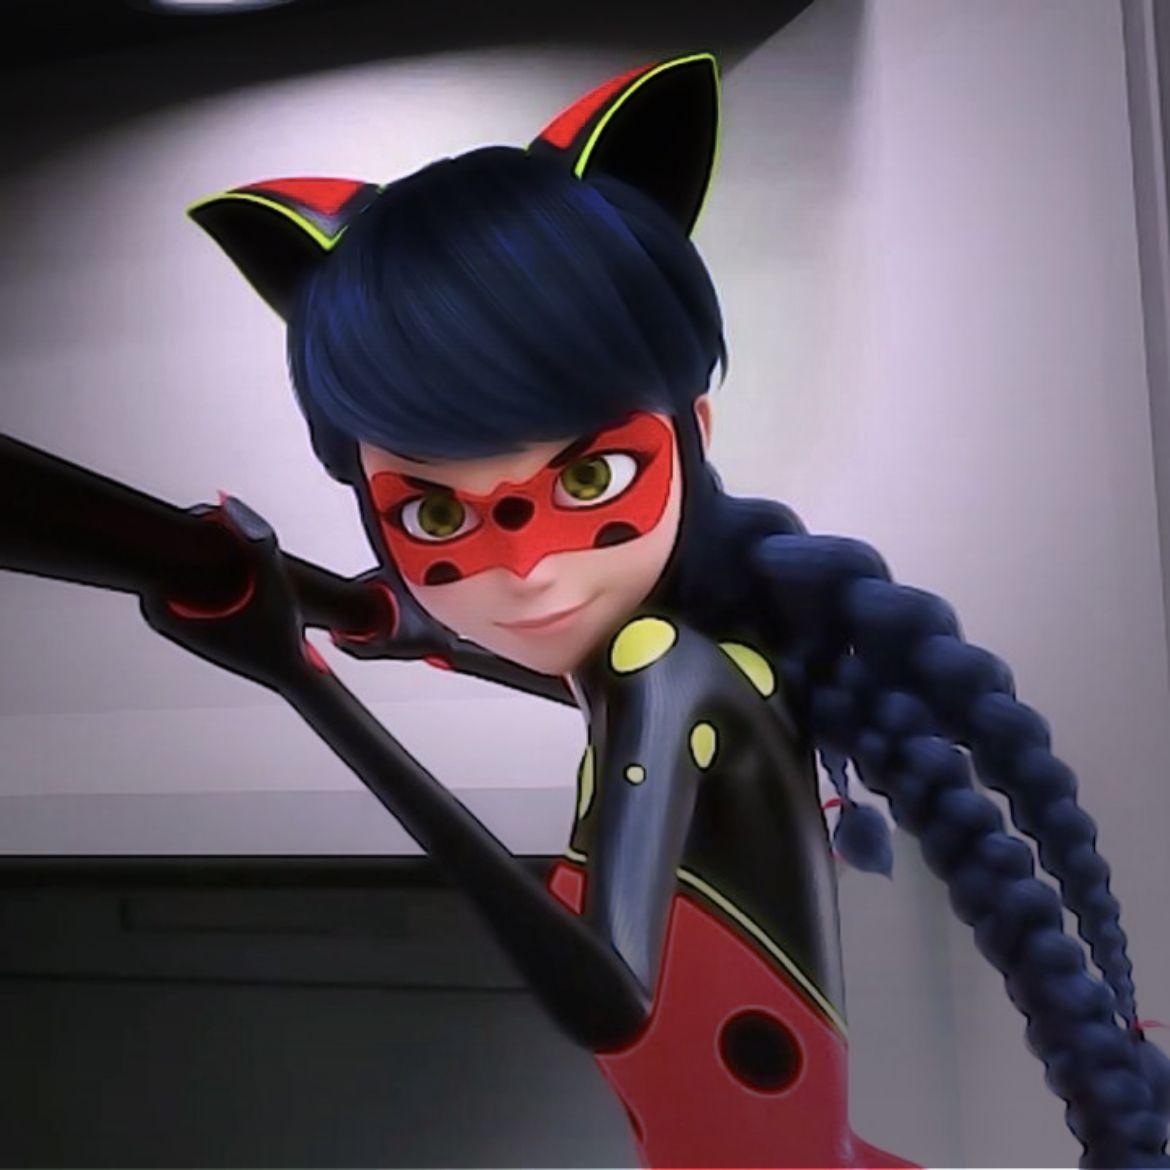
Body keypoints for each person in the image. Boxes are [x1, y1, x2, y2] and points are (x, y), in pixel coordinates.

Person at [54, 53, 1170, 1168]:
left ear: (694, 433)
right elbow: (517, 650)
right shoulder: (677, 663)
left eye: (589, 480)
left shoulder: (663, 668)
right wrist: (384, 622)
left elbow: (609, 995)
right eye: (436, 513)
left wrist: (306, 686)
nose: (526, 568)